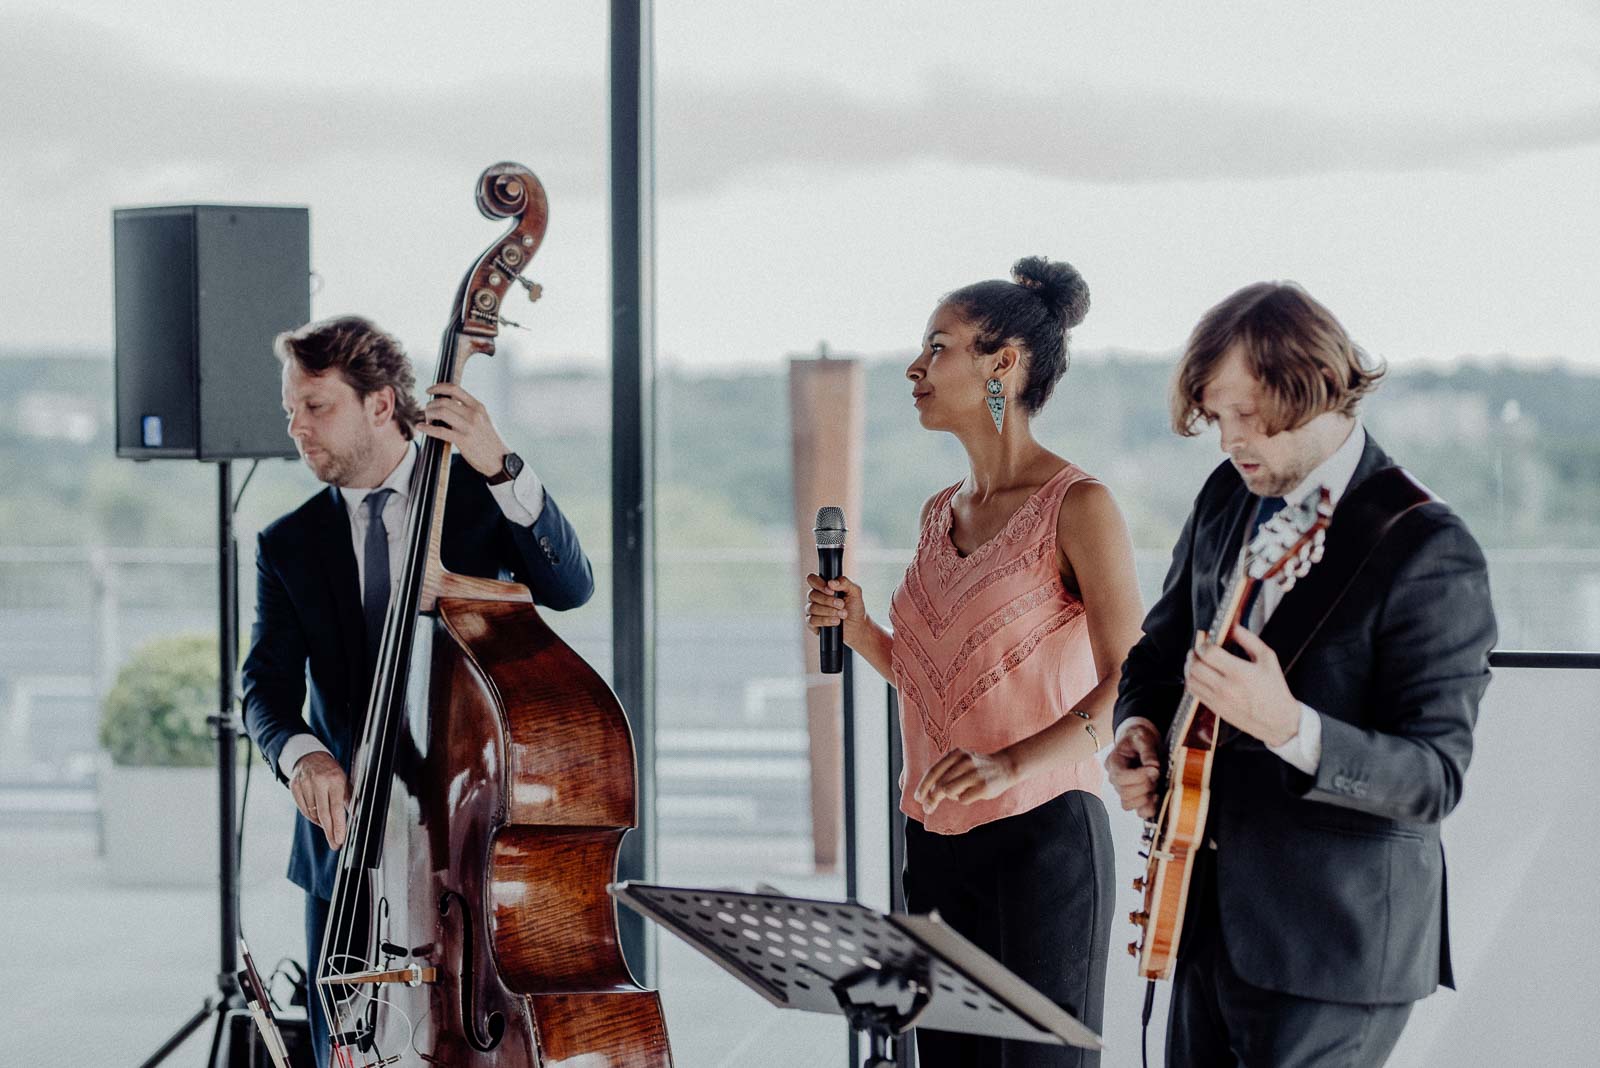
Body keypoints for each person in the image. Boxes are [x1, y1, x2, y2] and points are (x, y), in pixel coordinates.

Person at [1106, 282, 1496, 1066]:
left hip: (1337, 945)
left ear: (1316, 389)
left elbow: (1433, 778)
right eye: (1218, 418)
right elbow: (1157, 651)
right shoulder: (1227, 495)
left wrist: (1288, 726)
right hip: (1205, 920)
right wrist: (1139, 728)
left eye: (1248, 417)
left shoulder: (1429, 548)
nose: (1229, 442)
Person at [805, 257, 1143, 1066]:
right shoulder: (935, 515)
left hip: (1044, 844)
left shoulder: (1080, 505)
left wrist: (1011, 764)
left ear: (1004, 364)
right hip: (932, 841)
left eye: (938, 347)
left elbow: (1133, 676)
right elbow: (943, 686)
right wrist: (861, 633)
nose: (915, 368)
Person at [241, 315, 595, 1068]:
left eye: (316, 406)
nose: (297, 428)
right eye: (291, 411)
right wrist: (304, 757)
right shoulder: (289, 543)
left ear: (379, 404)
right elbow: (263, 688)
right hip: (351, 851)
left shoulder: (474, 499)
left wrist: (501, 464)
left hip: (470, 840)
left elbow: (570, 586)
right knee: (353, 1047)